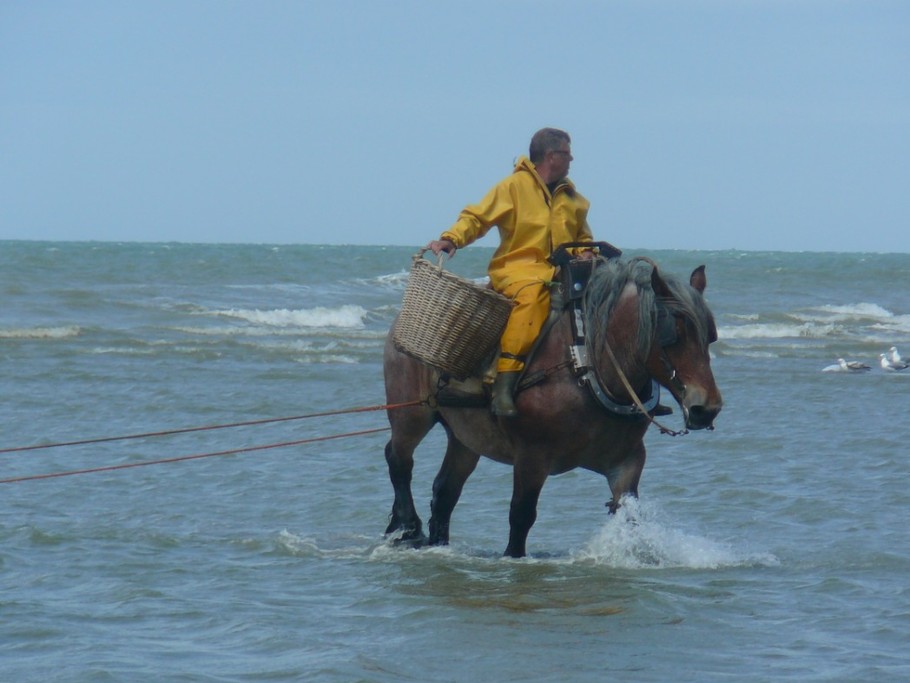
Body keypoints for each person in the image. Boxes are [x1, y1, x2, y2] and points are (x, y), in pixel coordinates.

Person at [427, 127, 596, 417]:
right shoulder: (513, 187)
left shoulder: (574, 199)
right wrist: (451, 238)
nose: (572, 159)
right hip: (517, 270)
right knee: (533, 298)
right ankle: (502, 384)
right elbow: (478, 217)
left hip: (562, 274)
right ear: (551, 156)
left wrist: (587, 253)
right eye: (568, 154)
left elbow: (583, 238)